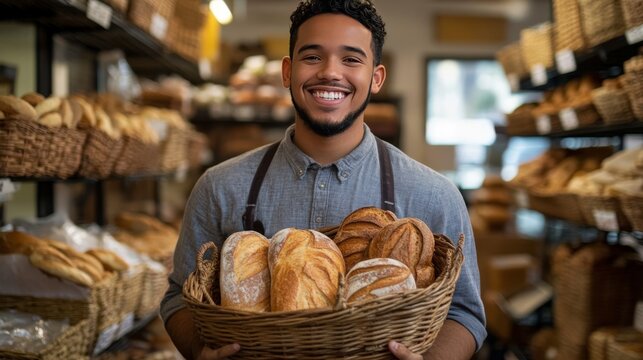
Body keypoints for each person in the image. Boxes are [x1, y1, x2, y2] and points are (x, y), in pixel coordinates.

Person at [160, 0, 486, 359]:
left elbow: (464, 312)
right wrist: (200, 352)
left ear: (376, 78)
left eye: (351, 59)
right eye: (312, 57)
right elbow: (179, 297)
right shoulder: (220, 187)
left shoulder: (433, 195)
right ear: (288, 71)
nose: (331, 72)